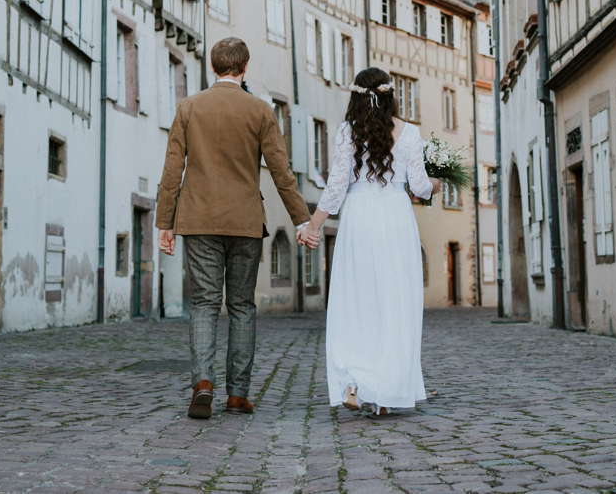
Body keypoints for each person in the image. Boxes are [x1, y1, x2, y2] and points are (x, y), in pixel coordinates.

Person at [156, 37, 311, 420]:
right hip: (244, 221)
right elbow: (280, 170)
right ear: (245, 69)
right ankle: (238, 394)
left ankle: (203, 383)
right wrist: (302, 219)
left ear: (212, 68)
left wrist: (165, 223)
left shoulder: (189, 107)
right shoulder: (259, 110)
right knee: (242, 305)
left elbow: (172, 169)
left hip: (198, 218)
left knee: (204, 303)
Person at [298, 67, 438, 416]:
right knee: (394, 304)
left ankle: (353, 382)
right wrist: (437, 184)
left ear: (356, 97)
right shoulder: (411, 133)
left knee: (356, 302)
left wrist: (313, 225)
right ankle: (386, 394)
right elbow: (419, 188)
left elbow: (336, 187)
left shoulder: (348, 132)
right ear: (392, 95)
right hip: (395, 219)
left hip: (359, 218)